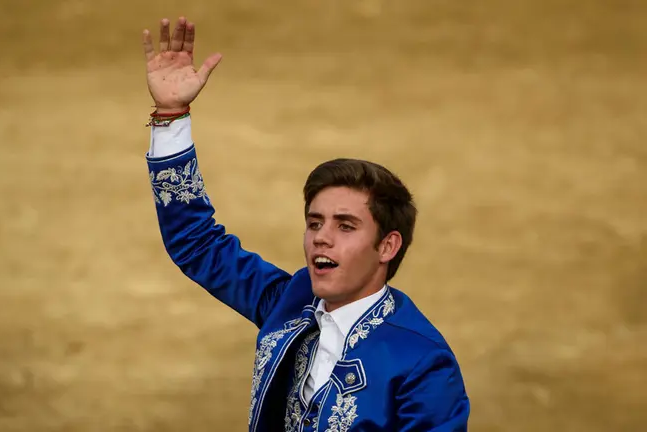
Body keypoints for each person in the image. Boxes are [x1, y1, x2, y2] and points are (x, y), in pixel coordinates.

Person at [141, 16, 470, 432]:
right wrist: (171, 116)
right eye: (314, 223)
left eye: (345, 226)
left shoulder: (423, 361)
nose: (322, 239)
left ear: (387, 246)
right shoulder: (291, 301)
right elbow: (197, 244)